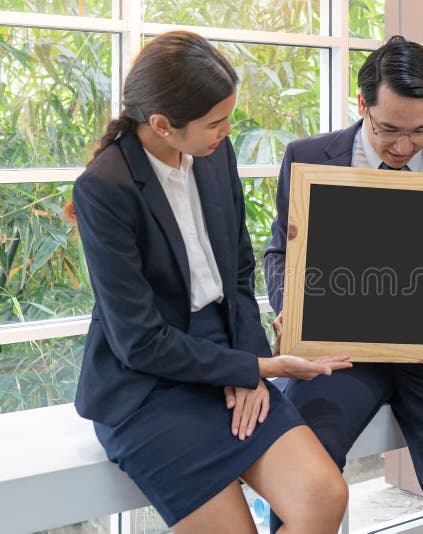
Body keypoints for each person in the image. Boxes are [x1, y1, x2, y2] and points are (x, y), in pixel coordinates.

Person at [69, 31, 352, 533]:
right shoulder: (104, 189)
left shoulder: (214, 153)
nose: (226, 131)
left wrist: (247, 368)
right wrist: (252, 366)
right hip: (148, 387)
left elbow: (240, 271)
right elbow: (140, 342)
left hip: (225, 353)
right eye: (215, 122)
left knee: (324, 497)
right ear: (162, 124)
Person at [264, 36, 423, 533]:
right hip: (340, 354)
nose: (402, 147)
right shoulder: (309, 157)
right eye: (388, 130)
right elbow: (280, 252)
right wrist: (291, 304)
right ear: (362, 105)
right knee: (301, 484)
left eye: (420, 131)